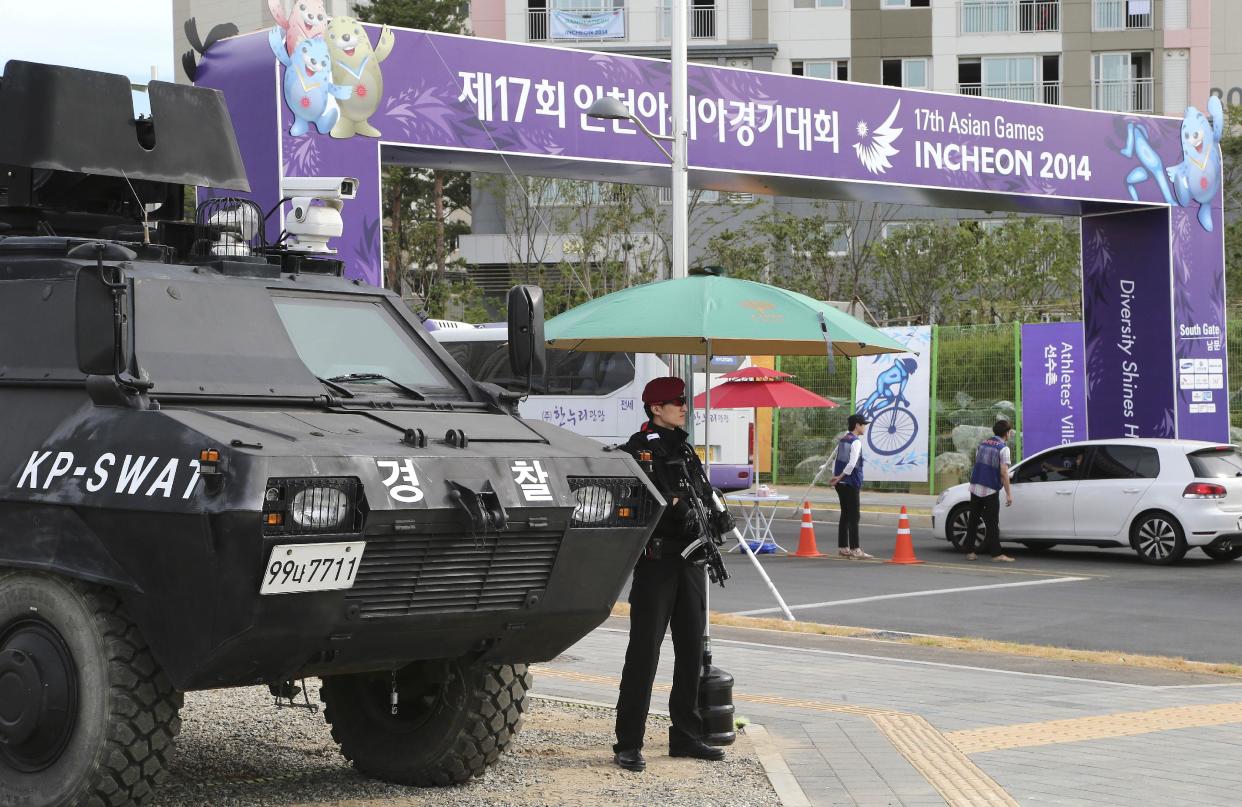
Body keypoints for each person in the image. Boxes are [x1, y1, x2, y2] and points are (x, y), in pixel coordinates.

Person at [612, 376, 725, 773]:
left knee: (691, 650)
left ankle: (686, 735)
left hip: (691, 562)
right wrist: (677, 506)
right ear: (655, 408)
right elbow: (647, 499)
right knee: (644, 654)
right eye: (676, 402)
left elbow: (701, 492)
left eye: (684, 401)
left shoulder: (685, 449)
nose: (684, 407)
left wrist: (715, 513)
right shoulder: (638, 450)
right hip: (657, 563)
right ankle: (628, 742)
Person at [964, 420, 1016, 562]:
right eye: (1010, 431)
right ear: (1006, 433)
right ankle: (996, 554)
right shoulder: (1003, 449)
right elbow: (1004, 473)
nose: (1010, 433)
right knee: (992, 522)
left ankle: (970, 551)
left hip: (975, 486)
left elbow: (981, 464)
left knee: (973, 519)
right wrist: (1009, 494)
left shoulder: (982, 444)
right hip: (990, 489)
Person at [828, 414, 872, 559]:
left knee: (845, 515)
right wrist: (841, 476)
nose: (865, 427)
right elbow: (852, 464)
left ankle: (843, 547)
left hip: (840, 484)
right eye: (863, 424)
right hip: (851, 482)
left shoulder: (843, 439)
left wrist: (836, 477)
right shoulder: (856, 442)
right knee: (854, 516)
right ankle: (855, 549)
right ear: (857, 425)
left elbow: (837, 459)